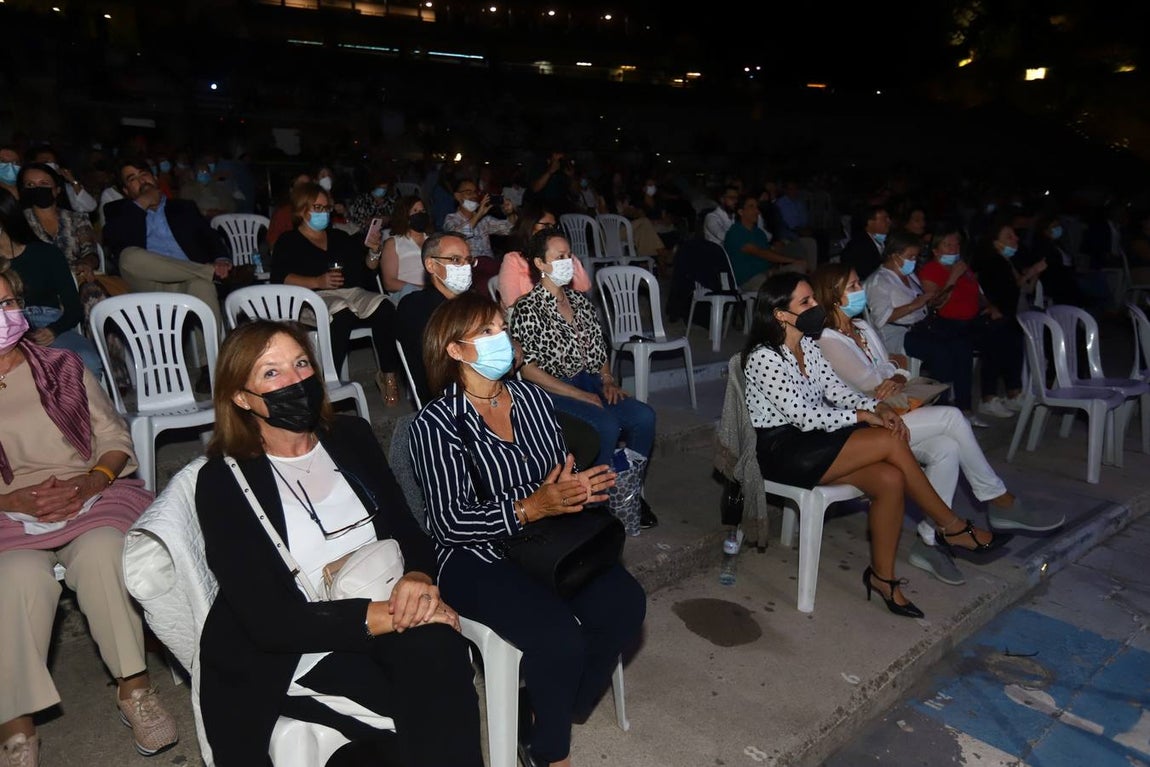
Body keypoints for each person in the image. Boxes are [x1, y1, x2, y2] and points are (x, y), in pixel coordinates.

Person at [194, 319, 483, 766]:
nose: (295, 381)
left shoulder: (350, 436)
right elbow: (269, 620)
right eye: (271, 373)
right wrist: (394, 615)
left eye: (301, 363)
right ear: (240, 397)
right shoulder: (222, 481)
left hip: (382, 601)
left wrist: (417, 579)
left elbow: (408, 530)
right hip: (299, 643)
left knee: (439, 656)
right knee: (426, 692)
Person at [408, 292, 646, 767]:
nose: (502, 338)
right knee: (559, 639)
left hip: (548, 542)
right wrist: (529, 508)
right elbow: (449, 521)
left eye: (502, 327)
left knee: (626, 606)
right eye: (487, 332)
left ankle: (546, 709)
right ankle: (549, 753)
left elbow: (554, 474)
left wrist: (574, 490)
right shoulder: (435, 424)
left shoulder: (535, 400)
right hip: (475, 555)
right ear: (455, 350)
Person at [741, 271, 1010, 619]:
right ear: (780, 314)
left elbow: (837, 391)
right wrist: (862, 416)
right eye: (805, 302)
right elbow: (804, 416)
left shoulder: (808, 344)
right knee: (887, 439)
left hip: (815, 440)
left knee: (890, 479)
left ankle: (884, 578)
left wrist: (877, 407)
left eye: (813, 298)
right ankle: (951, 526)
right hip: (781, 450)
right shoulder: (763, 357)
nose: (816, 306)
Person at [0, 263, 178, 765]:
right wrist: (11, 501)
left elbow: (113, 437)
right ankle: (15, 728)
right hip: (9, 510)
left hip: (88, 492)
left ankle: (134, 689)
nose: (3, 315)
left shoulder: (62, 366)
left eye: (7, 303)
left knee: (104, 554)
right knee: (13, 579)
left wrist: (91, 481)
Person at [811, 263, 1064, 584]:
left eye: (858, 282)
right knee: (952, 417)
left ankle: (929, 540)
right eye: (852, 286)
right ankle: (998, 499)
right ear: (832, 296)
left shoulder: (861, 327)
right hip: (861, 426)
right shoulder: (827, 339)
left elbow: (897, 363)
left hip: (891, 412)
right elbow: (869, 383)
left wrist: (896, 374)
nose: (860, 289)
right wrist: (892, 372)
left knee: (946, 448)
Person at [508, 229, 658, 529]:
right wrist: (579, 395)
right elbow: (529, 369)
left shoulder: (580, 301)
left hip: (589, 381)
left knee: (643, 416)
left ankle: (626, 490)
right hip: (551, 390)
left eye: (569, 255)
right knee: (605, 425)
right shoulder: (527, 308)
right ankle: (594, 503)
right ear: (540, 263)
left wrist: (607, 380)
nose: (568, 261)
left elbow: (599, 350)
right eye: (559, 256)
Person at [270, 181, 403, 407]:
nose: (323, 213)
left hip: (350, 292)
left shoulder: (339, 237)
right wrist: (317, 281)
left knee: (384, 306)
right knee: (341, 313)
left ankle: (387, 374)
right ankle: (326, 382)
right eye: (317, 208)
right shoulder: (288, 241)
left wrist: (374, 252)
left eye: (326, 208)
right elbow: (281, 277)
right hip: (311, 297)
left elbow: (367, 269)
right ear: (302, 210)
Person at [101, 157, 234, 332]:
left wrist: (221, 258)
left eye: (144, 174)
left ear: (155, 178)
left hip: (188, 279)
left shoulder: (183, 207)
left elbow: (210, 236)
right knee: (128, 256)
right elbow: (115, 242)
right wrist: (143, 202)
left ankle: (211, 350)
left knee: (203, 286)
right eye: (132, 179)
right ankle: (209, 272)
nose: (141, 181)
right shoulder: (117, 211)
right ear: (126, 191)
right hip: (149, 282)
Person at [865, 230, 982, 424]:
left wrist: (930, 300)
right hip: (898, 334)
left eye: (915, 256)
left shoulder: (908, 275)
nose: (914, 261)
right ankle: (940, 407)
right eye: (910, 256)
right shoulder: (879, 281)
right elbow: (881, 318)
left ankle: (964, 406)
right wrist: (915, 304)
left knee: (962, 345)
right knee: (941, 352)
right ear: (895, 255)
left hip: (921, 326)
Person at [919, 223, 1026, 420]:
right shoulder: (931, 270)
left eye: (956, 245)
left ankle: (1013, 390)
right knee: (983, 339)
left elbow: (978, 294)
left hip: (972, 318)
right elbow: (935, 304)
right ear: (935, 250)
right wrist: (953, 277)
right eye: (948, 245)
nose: (954, 249)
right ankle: (979, 401)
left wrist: (990, 306)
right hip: (947, 322)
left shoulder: (964, 269)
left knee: (1010, 330)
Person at [0, 189, 103, 378]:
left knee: (87, 360)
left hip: (48, 321)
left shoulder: (45, 253)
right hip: (5, 326)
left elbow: (74, 307)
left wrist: (54, 330)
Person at [16, 163, 120, 314]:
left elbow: (91, 252)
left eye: (44, 183)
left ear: (57, 189)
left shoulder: (77, 218)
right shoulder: (18, 223)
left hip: (78, 280)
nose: (37, 188)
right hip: (38, 286)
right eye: (30, 185)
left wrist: (86, 263)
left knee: (91, 291)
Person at [496, 205, 590, 311]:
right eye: (546, 225)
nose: (550, 230)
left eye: (554, 226)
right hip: (529, 315)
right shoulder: (514, 260)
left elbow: (584, 286)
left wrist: (565, 257)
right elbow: (511, 302)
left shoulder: (564, 255)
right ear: (529, 226)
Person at [442, 177, 517, 296]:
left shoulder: (484, 220)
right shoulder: (451, 219)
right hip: (469, 268)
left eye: (475, 192)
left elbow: (509, 229)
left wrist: (510, 213)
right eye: (468, 192)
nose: (473, 196)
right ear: (457, 196)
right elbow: (457, 236)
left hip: (489, 266)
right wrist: (478, 215)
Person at [725, 193, 807, 292]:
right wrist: (790, 260)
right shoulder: (735, 232)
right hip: (748, 279)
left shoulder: (759, 233)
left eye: (757, 207)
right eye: (751, 207)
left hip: (767, 274)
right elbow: (760, 252)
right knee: (771, 282)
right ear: (741, 212)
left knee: (799, 267)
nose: (757, 211)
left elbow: (768, 256)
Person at [378, 194, 431, 307]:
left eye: (422, 211)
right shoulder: (393, 243)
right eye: (415, 211)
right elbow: (389, 283)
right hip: (406, 295)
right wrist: (421, 289)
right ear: (405, 216)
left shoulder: (433, 241)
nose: (420, 214)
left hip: (431, 293)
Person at [840, 204, 892, 281]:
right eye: (885, 219)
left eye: (889, 218)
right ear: (870, 222)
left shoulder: (889, 240)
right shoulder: (858, 247)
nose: (889, 222)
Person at [268, 172, 311, 251]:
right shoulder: (283, 213)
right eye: (301, 185)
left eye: (308, 186)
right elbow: (272, 244)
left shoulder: (317, 211)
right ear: (292, 190)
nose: (305, 189)